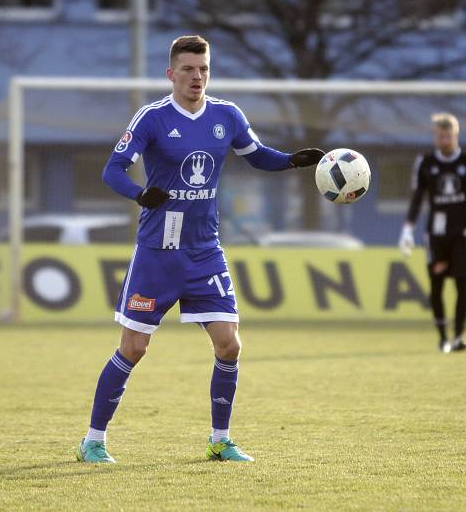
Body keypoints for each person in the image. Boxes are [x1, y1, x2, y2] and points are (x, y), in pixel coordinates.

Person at [77, 35, 324, 463]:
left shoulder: (226, 115)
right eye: (189, 69)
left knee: (229, 345)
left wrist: (290, 161)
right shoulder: (152, 118)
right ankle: (93, 441)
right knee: (133, 349)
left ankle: (220, 439)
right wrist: (140, 194)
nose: (197, 77)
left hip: (205, 249)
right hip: (158, 251)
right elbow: (112, 169)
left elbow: (256, 154)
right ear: (171, 73)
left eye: (204, 68)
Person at [398, 112, 466, 353]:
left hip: (463, 232)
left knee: (462, 282)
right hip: (436, 234)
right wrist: (407, 229)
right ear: (435, 137)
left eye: (448, 136)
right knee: (436, 286)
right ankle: (442, 338)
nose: (445, 140)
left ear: (456, 135)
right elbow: (417, 198)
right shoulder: (425, 163)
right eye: (440, 136)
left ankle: (458, 336)